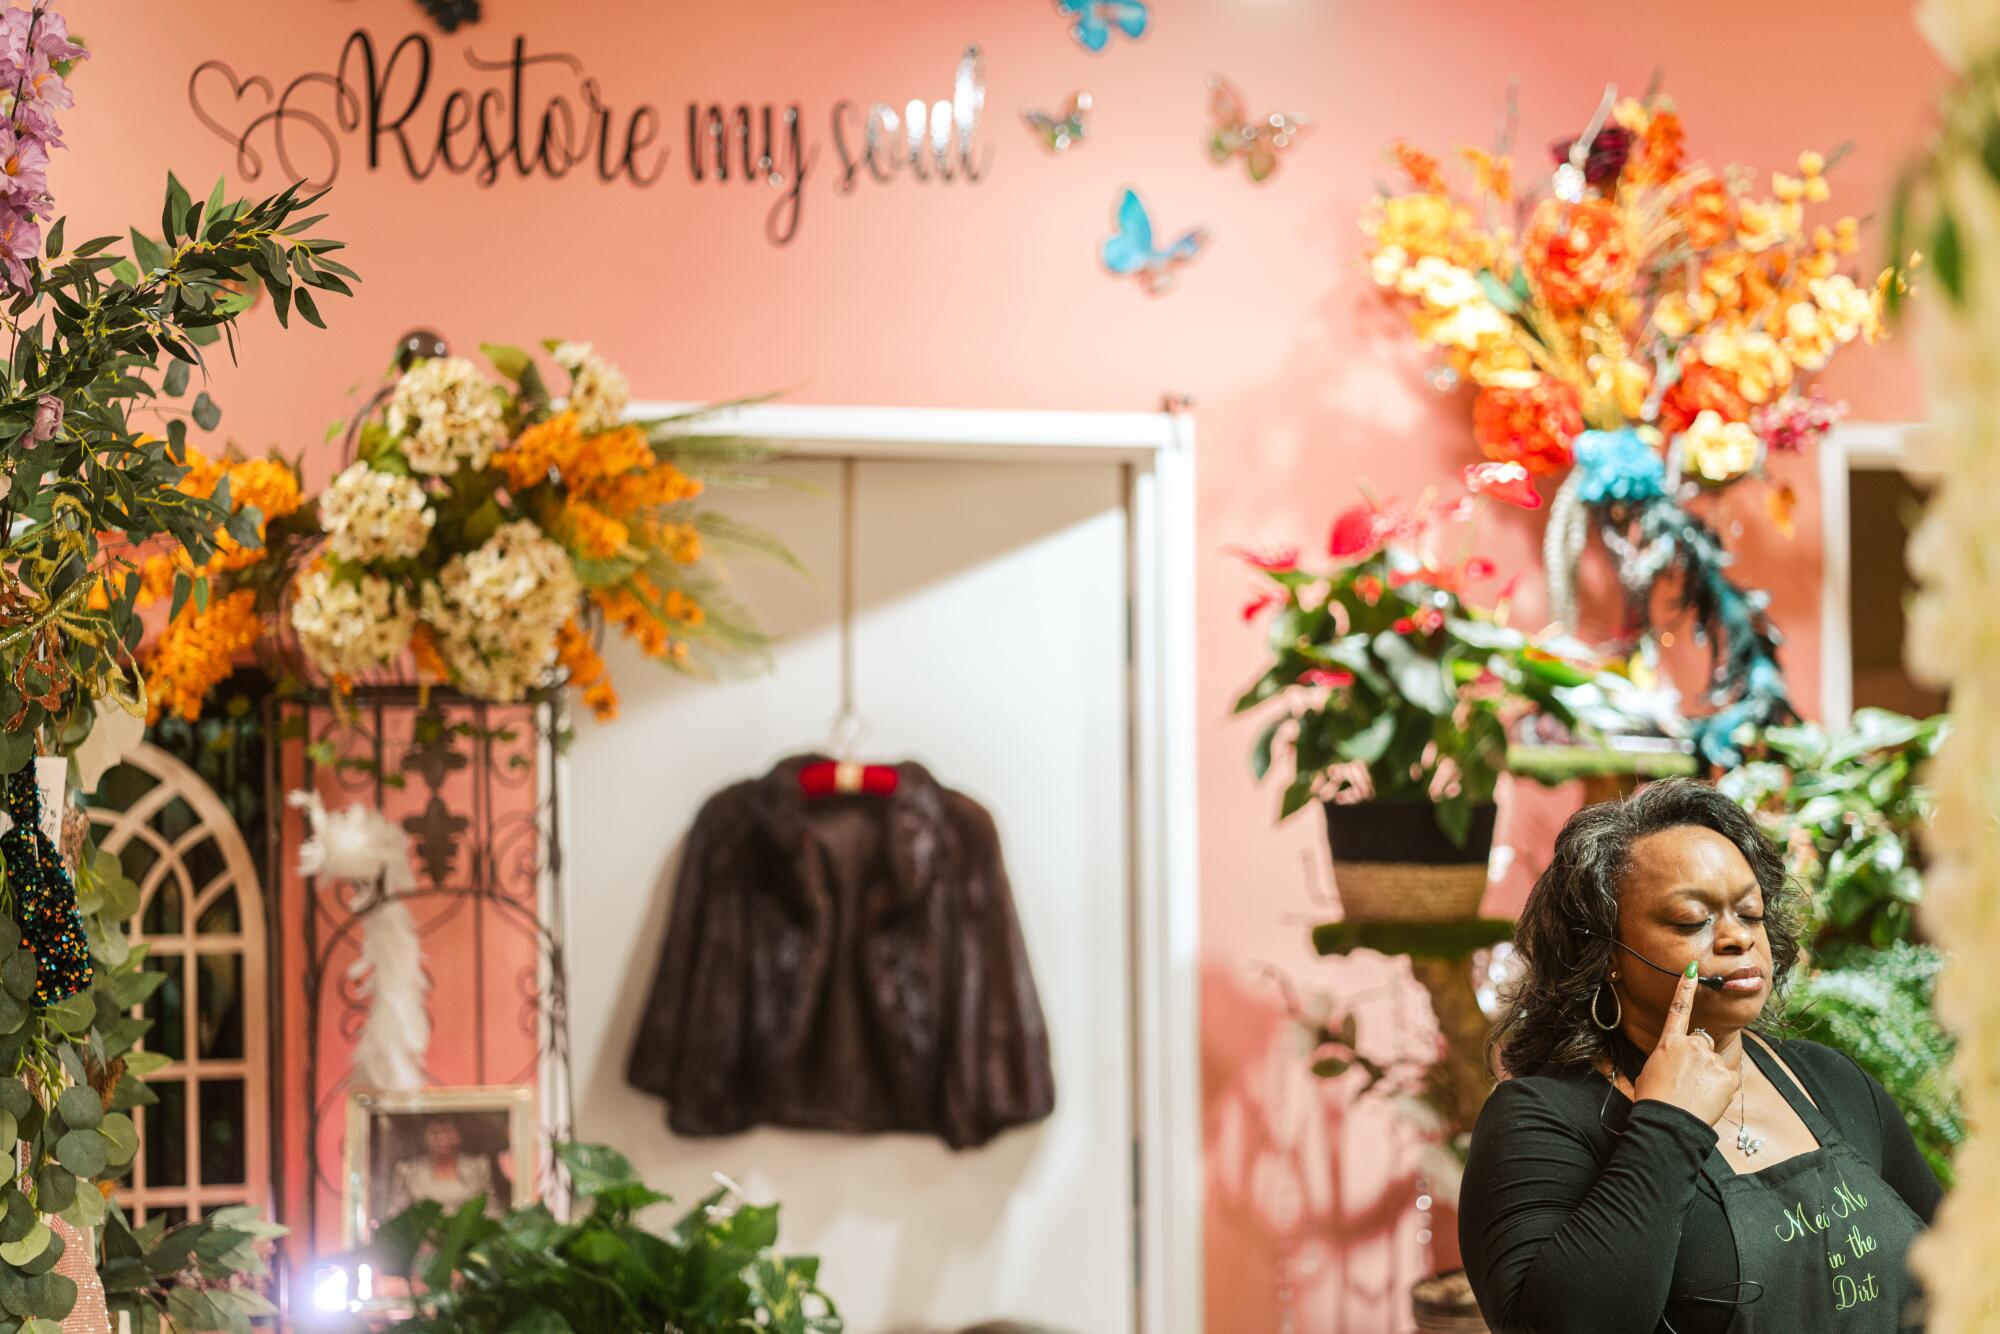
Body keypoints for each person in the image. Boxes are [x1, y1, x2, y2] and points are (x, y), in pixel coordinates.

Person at [1459, 779, 1941, 1333]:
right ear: (1605, 952)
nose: (1738, 937)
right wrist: (1668, 1126)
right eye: (1693, 920)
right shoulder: (1539, 1121)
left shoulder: (1831, 1081)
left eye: (1751, 912)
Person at [383, 1116, 503, 1221]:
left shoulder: (478, 1166)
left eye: (447, 1131)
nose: (442, 1138)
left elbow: (492, 1210)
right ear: (424, 1137)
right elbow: (397, 1214)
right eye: (435, 1132)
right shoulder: (407, 1170)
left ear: (458, 1135)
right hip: (423, 1241)